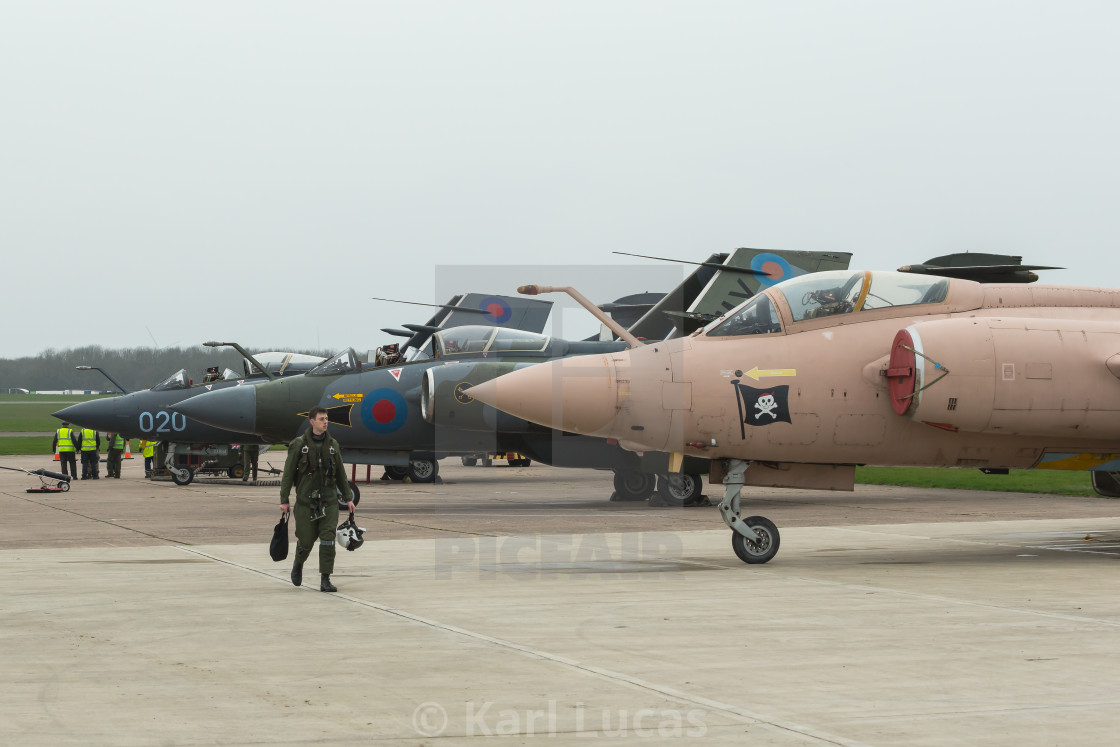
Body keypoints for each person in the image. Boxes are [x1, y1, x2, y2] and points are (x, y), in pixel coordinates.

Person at [280, 407, 354, 592]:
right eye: (321, 419)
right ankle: (298, 564)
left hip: (329, 502)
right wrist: (284, 500)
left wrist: (348, 498)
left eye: (326, 418)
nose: (325, 421)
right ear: (312, 422)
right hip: (306, 503)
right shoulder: (298, 445)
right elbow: (288, 474)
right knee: (306, 541)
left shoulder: (333, 445)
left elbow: (341, 473)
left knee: (328, 539)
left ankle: (325, 579)